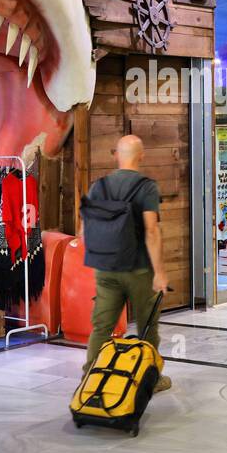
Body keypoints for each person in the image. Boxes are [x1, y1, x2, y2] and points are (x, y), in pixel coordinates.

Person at [82, 134, 171, 392]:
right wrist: (161, 273)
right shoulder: (146, 187)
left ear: (116, 155)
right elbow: (151, 231)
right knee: (147, 326)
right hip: (139, 269)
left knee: (102, 326)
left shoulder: (99, 186)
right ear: (141, 156)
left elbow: (84, 227)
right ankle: (150, 380)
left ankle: (90, 377)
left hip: (105, 269)